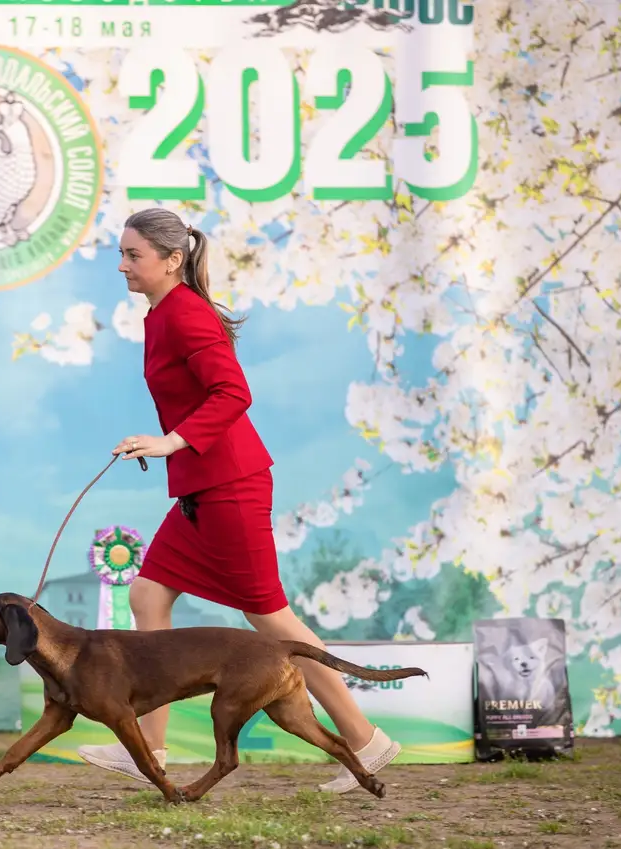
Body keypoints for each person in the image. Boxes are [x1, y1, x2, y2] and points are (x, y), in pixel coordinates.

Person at [74, 207, 398, 794]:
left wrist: (171, 442)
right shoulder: (160, 314)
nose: (121, 265)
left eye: (133, 255)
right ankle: (147, 748)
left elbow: (233, 393)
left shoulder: (186, 315)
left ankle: (364, 739)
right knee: (147, 595)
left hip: (230, 488)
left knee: (271, 620)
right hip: (201, 488)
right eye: (121, 254)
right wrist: (168, 446)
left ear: (172, 260)